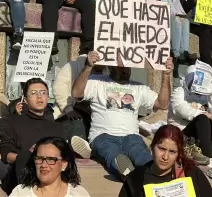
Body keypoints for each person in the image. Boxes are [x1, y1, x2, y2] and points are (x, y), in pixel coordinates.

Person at [71, 51, 173, 180]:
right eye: (121, 67)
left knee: (143, 158)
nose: (125, 70)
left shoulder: (139, 87)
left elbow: (162, 104)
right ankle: (129, 175)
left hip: (131, 137)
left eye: (128, 67)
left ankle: (152, 175)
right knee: (113, 155)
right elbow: (76, 92)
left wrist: (166, 75)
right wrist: (88, 67)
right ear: (110, 66)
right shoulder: (97, 82)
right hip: (103, 136)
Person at [0, 78, 65, 194]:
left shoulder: (57, 128)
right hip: (20, 176)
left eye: (43, 93)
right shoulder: (13, 122)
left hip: (49, 175)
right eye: (33, 93)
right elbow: (5, 155)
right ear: (25, 100)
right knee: (26, 156)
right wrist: (31, 157)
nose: (39, 97)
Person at [118, 124, 212, 197]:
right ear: (152, 147)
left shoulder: (191, 173)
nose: (165, 157)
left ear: (179, 154)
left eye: (172, 152)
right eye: (161, 148)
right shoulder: (135, 179)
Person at [9, 137, 90, 197]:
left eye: (51, 159)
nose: (43, 165)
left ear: (64, 164)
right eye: (39, 159)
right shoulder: (21, 193)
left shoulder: (78, 194)